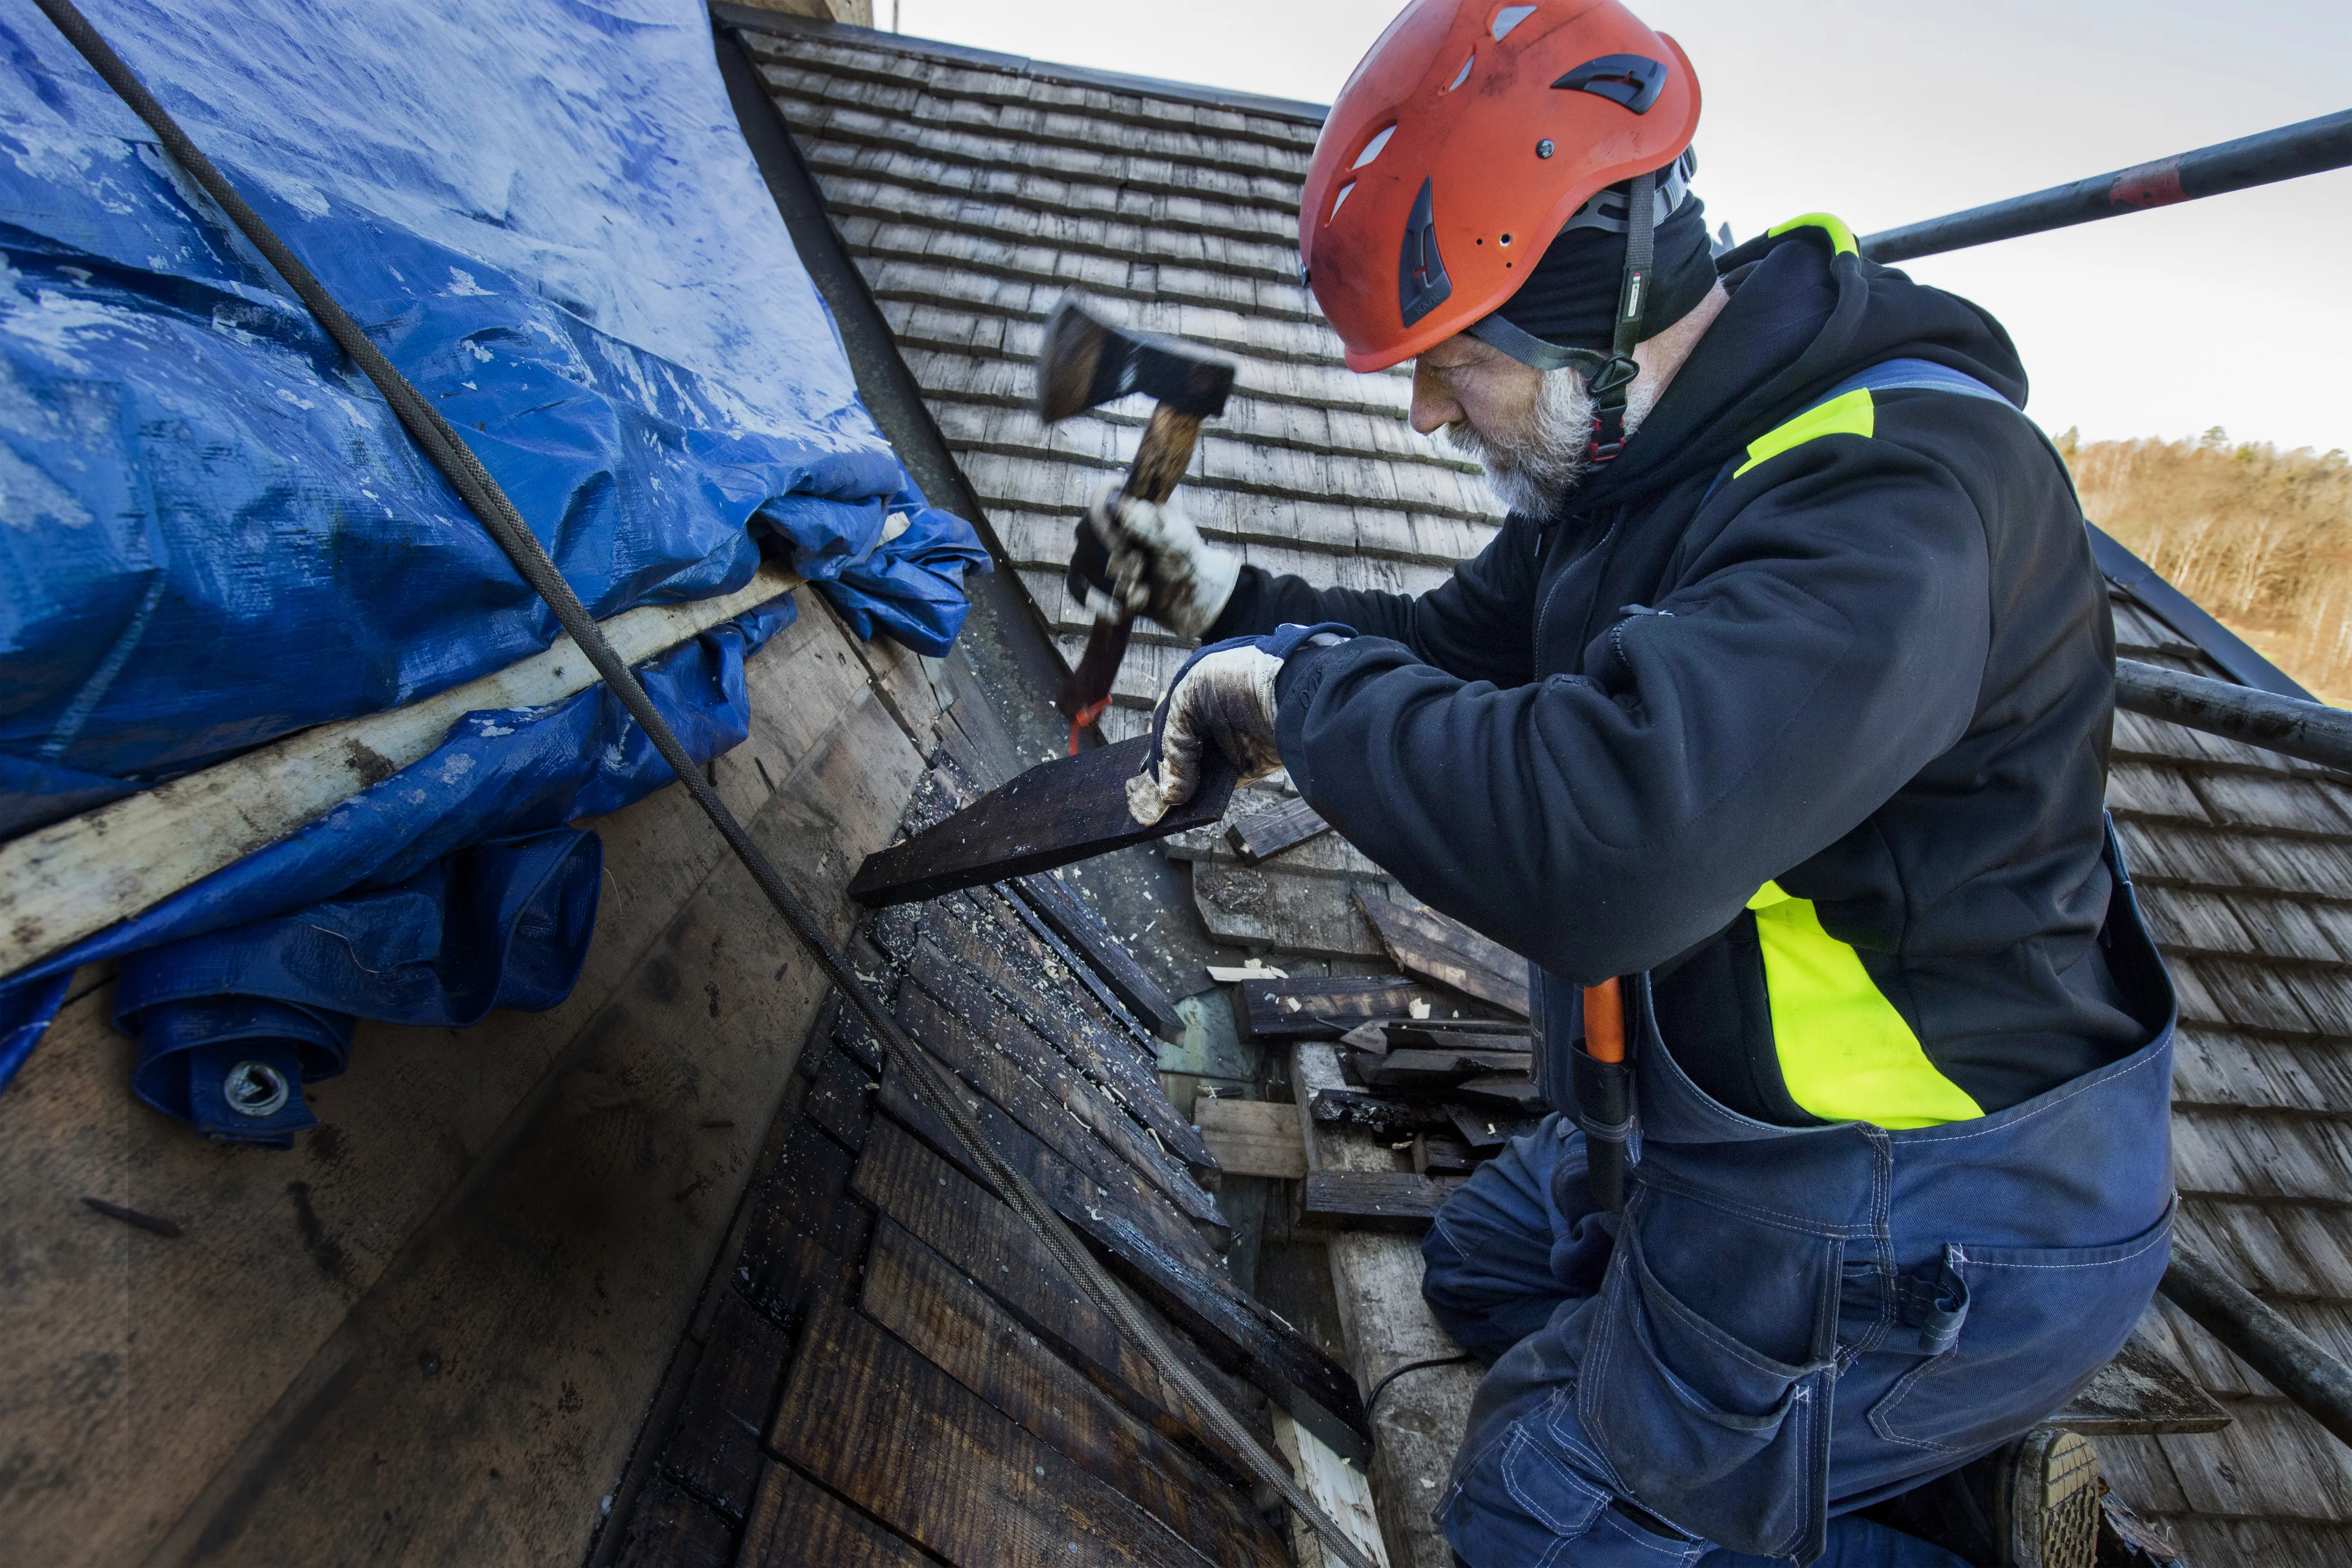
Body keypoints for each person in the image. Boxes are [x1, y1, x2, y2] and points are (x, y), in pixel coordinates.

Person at [1077, 3, 2179, 1565]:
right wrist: (1228, 604)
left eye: (1453, 365)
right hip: (1713, 1113)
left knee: (1530, 1518)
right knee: (1480, 1275)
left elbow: (1615, 845)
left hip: (1932, 1189)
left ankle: (1923, 1508)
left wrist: (1295, 696)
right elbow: (1461, 657)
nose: (1424, 410)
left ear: (1595, 305)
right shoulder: (1634, 461)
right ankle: (1893, 1468)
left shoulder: (1893, 499)